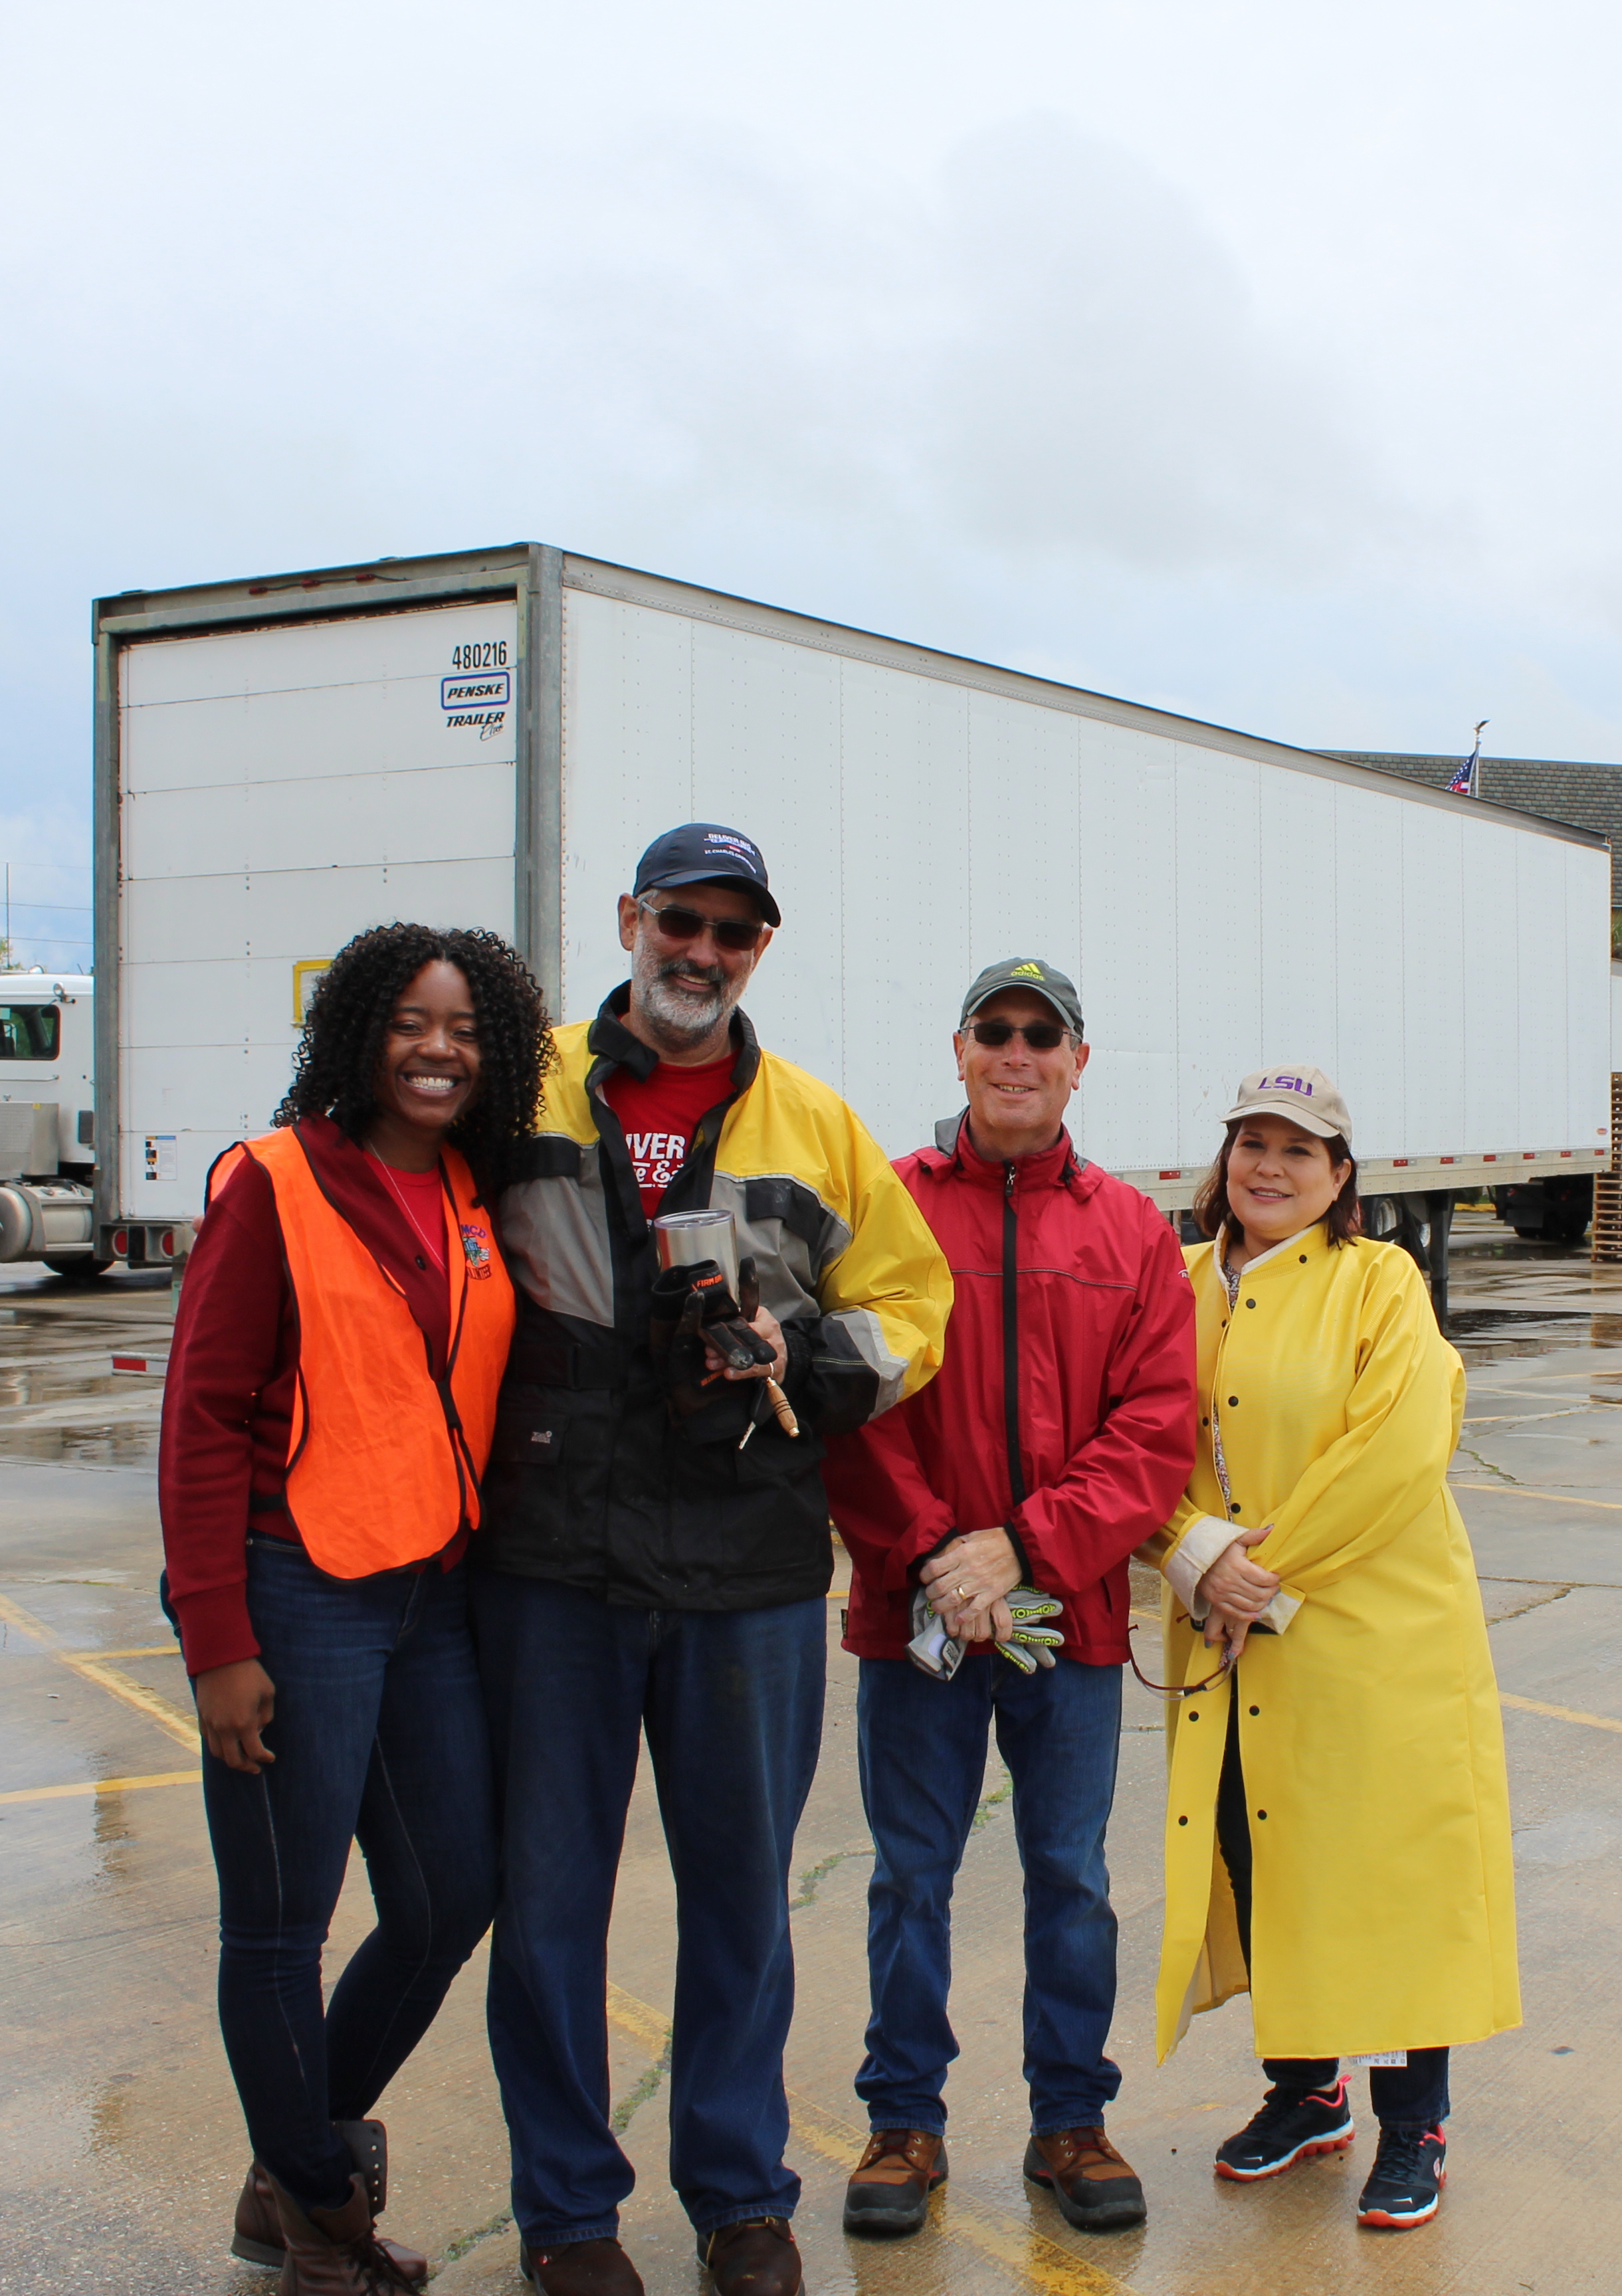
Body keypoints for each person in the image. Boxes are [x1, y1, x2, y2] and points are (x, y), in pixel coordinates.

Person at [472, 825, 954, 2296]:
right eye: (681, 921)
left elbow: (913, 1308)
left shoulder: (815, 1123)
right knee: (549, 1902)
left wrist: (793, 1351)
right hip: (553, 1558)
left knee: (742, 1899)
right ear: (629, 919)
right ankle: (567, 2216)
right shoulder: (522, 1081)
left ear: (761, 953)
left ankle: (742, 2197)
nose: (702, 954)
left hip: (746, 1567)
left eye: (734, 935)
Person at [160, 922, 553, 2294]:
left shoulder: (470, 1188)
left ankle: (291, 2164)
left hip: (426, 1600)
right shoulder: (274, 1184)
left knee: (452, 1895)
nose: (437, 1049)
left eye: (462, 1028)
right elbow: (202, 1415)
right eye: (409, 1022)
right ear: (356, 1037)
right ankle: (321, 2211)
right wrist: (218, 1639)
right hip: (293, 1591)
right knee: (280, 1924)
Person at [821, 960, 1198, 2242]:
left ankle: (1068, 2122)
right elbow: (853, 1406)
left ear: (1078, 1061)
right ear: (960, 1050)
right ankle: (903, 2123)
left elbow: (1153, 1435)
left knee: (1068, 1875)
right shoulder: (890, 1210)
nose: (1019, 1053)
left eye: (1045, 1035)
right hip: (915, 1612)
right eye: (997, 1032)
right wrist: (940, 1559)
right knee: (908, 1876)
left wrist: (1024, 1552)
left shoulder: (1133, 1234)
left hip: (1070, 1619)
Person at [1146, 1066, 1520, 2233]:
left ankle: (1416, 2124)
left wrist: (1262, 1572)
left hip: (1371, 1633)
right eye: (1249, 1144)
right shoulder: (1177, 1284)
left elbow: (1397, 1445)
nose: (1266, 1167)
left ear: (1340, 1177)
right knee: (1261, 1854)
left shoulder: (1379, 1282)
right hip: (1230, 1623)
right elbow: (1135, 1437)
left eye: (1296, 1151)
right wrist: (1188, 1550)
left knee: (1394, 1872)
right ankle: (1305, 2094)